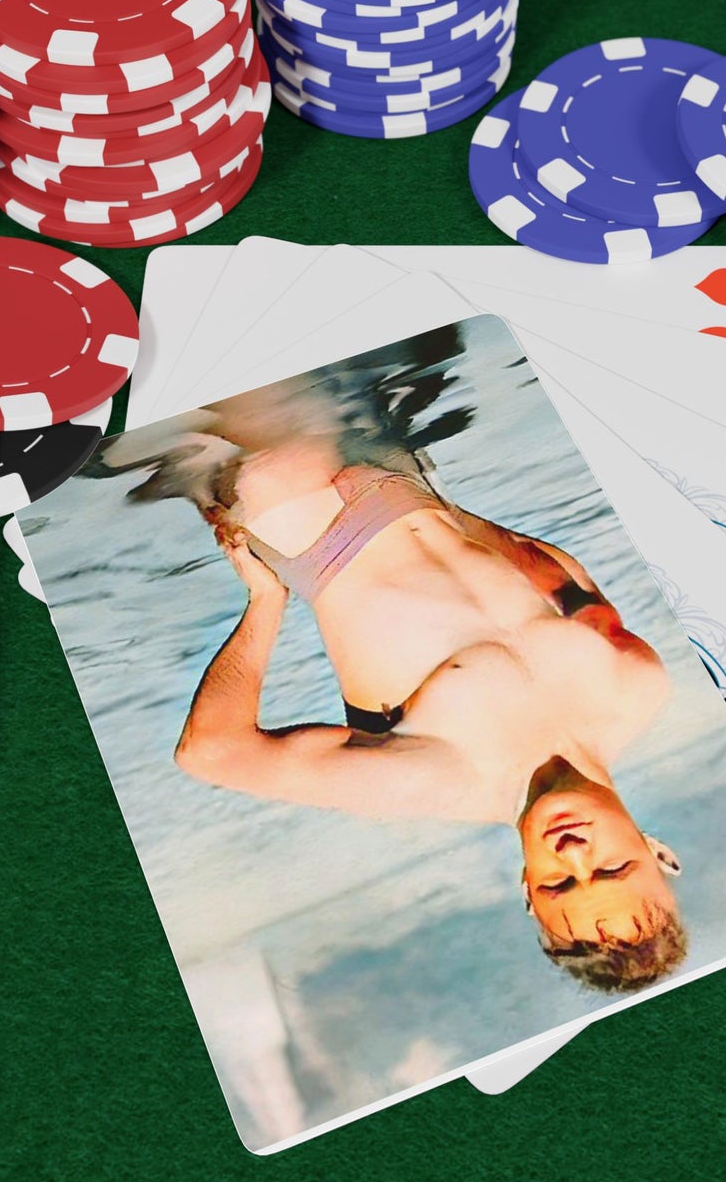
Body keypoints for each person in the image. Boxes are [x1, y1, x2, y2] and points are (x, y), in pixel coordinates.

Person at [159, 425, 689, 993]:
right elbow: (559, 580)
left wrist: (266, 600)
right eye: (612, 868)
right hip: (405, 475)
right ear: (658, 852)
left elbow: (212, 753)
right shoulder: (636, 688)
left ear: (527, 888)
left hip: (296, 504)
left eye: (560, 885)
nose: (575, 853)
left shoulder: (430, 782)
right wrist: (452, 514)